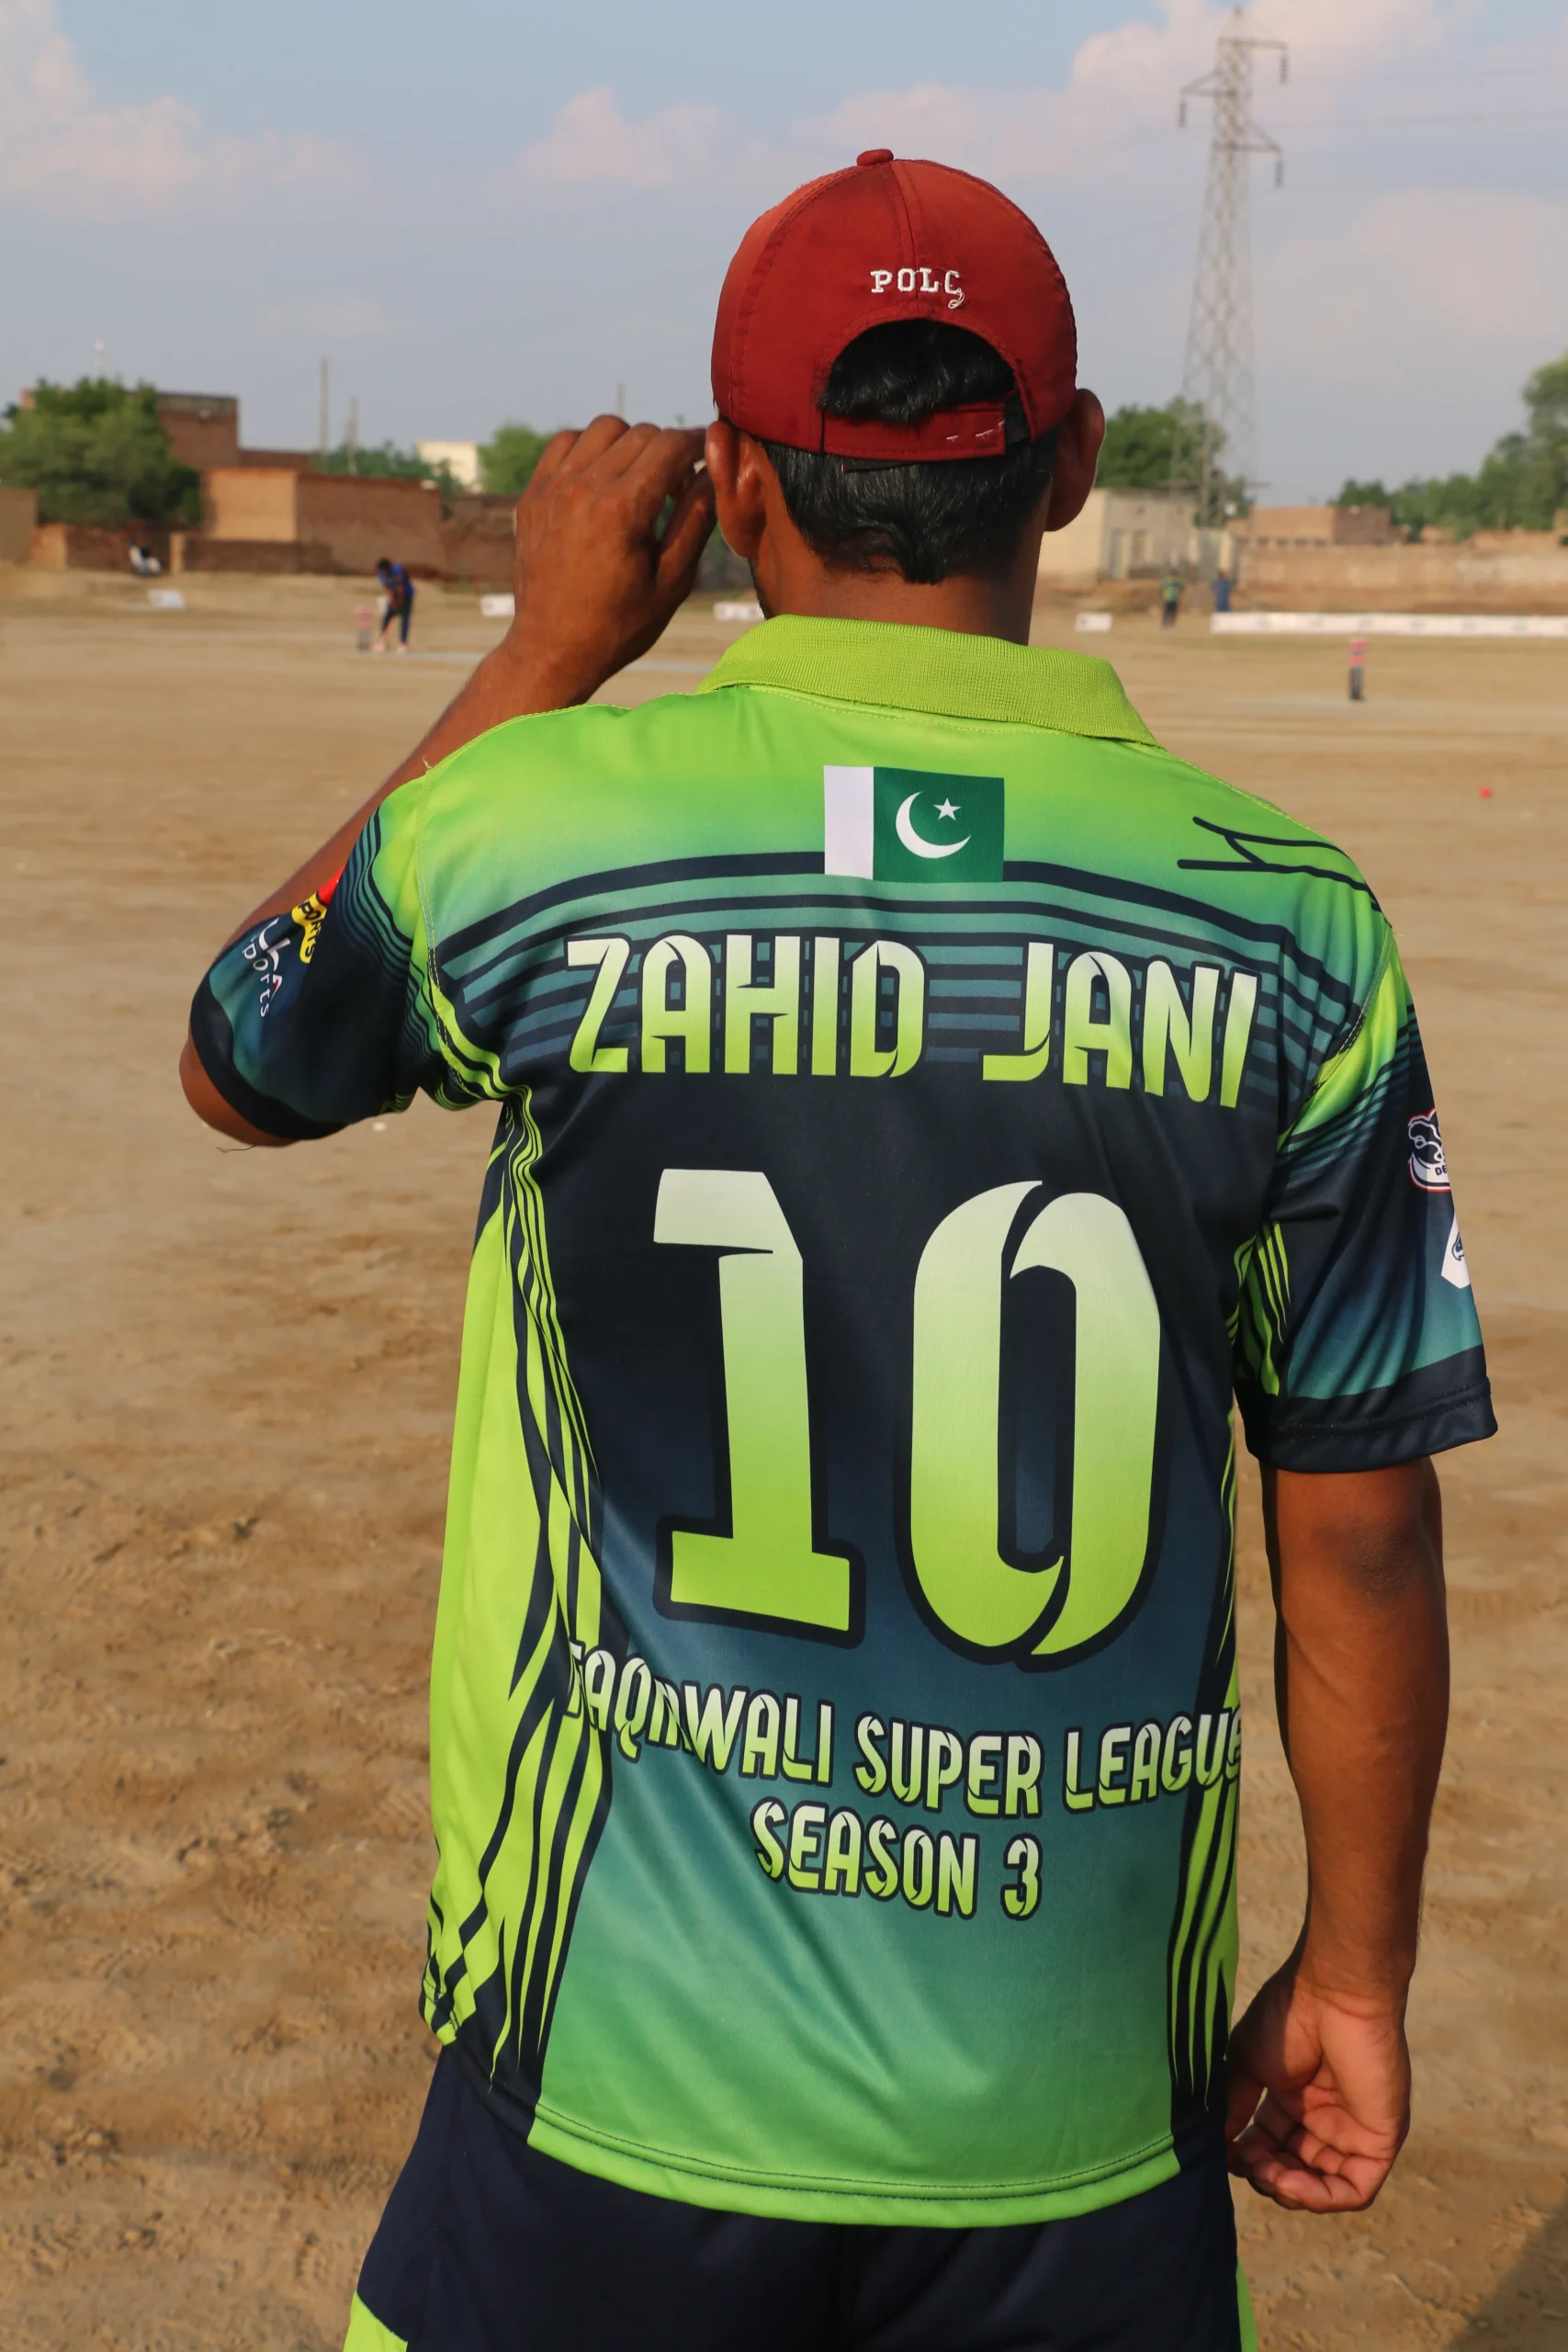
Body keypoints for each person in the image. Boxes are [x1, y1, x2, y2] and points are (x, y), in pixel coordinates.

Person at [179, 151, 1493, 2352]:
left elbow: (244, 1052)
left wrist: (547, 649)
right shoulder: (1287, 926)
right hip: (1074, 2112)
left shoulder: (530, 837)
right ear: (1068, 467)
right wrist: (1352, 1970)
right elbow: (1357, 1524)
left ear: (725, 483)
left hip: (612, 2082)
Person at [375, 555, 414, 654]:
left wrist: (400, 602)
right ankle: (383, 642)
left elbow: (401, 588)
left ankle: (403, 644)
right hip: (393, 596)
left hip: (406, 596)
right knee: (387, 618)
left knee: (405, 619)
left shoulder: (398, 571)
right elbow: (386, 588)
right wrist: (393, 601)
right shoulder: (381, 575)